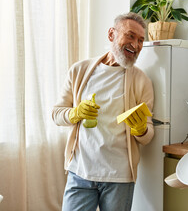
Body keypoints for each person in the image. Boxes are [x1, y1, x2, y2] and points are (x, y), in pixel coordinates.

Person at [52, 12, 154, 211]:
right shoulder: (79, 71)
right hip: (80, 173)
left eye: (141, 40)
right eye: (130, 36)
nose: (136, 44)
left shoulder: (142, 81)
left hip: (120, 178)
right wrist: (76, 113)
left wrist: (141, 129)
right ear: (111, 35)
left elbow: (148, 136)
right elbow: (56, 114)